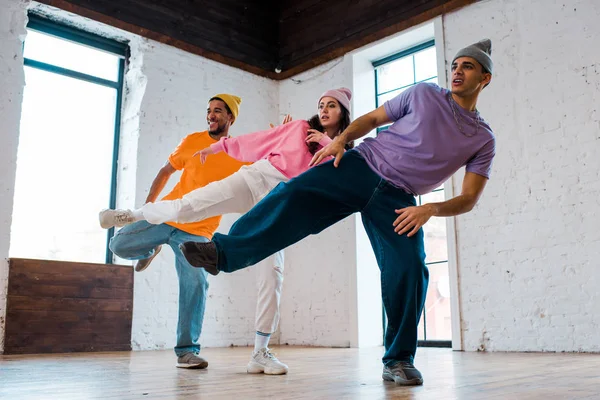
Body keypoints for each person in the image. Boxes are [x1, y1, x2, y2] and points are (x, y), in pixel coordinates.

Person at [179, 40, 496, 386]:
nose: (457, 72)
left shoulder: (482, 139)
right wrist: (341, 140)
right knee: (295, 192)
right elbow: (375, 118)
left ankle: (399, 360)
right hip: (362, 165)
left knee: (410, 268)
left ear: (485, 78)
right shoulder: (423, 94)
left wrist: (431, 209)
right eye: (454, 65)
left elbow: (468, 198)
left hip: (400, 198)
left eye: (467, 67)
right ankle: (223, 252)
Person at [101, 88, 354, 374]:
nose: (323, 110)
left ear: (343, 113)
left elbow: (338, 176)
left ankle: (260, 352)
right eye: (321, 104)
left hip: (280, 204)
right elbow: (258, 142)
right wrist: (219, 146)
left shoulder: (343, 154)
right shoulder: (298, 128)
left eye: (331, 106)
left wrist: (326, 142)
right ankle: (130, 214)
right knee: (191, 203)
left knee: (272, 273)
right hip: (254, 179)